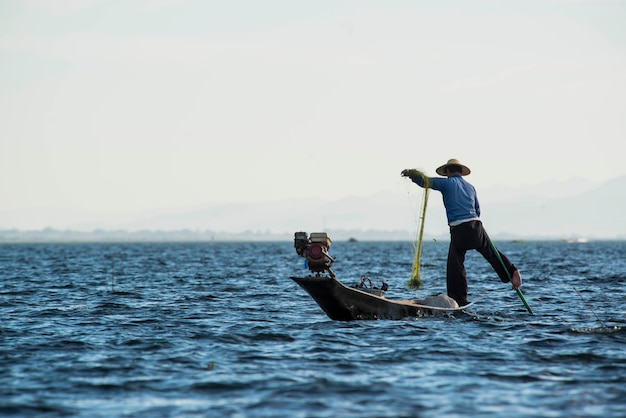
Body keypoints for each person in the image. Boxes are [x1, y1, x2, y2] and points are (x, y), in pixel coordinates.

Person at [401, 158, 522, 306]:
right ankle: (512, 272)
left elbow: (426, 182)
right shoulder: (471, 187)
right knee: (491, 252)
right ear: (460, 171)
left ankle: (459, 299)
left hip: (459, 228)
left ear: (447, 171)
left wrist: (411, 174)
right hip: (476, 225)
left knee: (455, 264)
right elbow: (478, 210)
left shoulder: (446, 183)